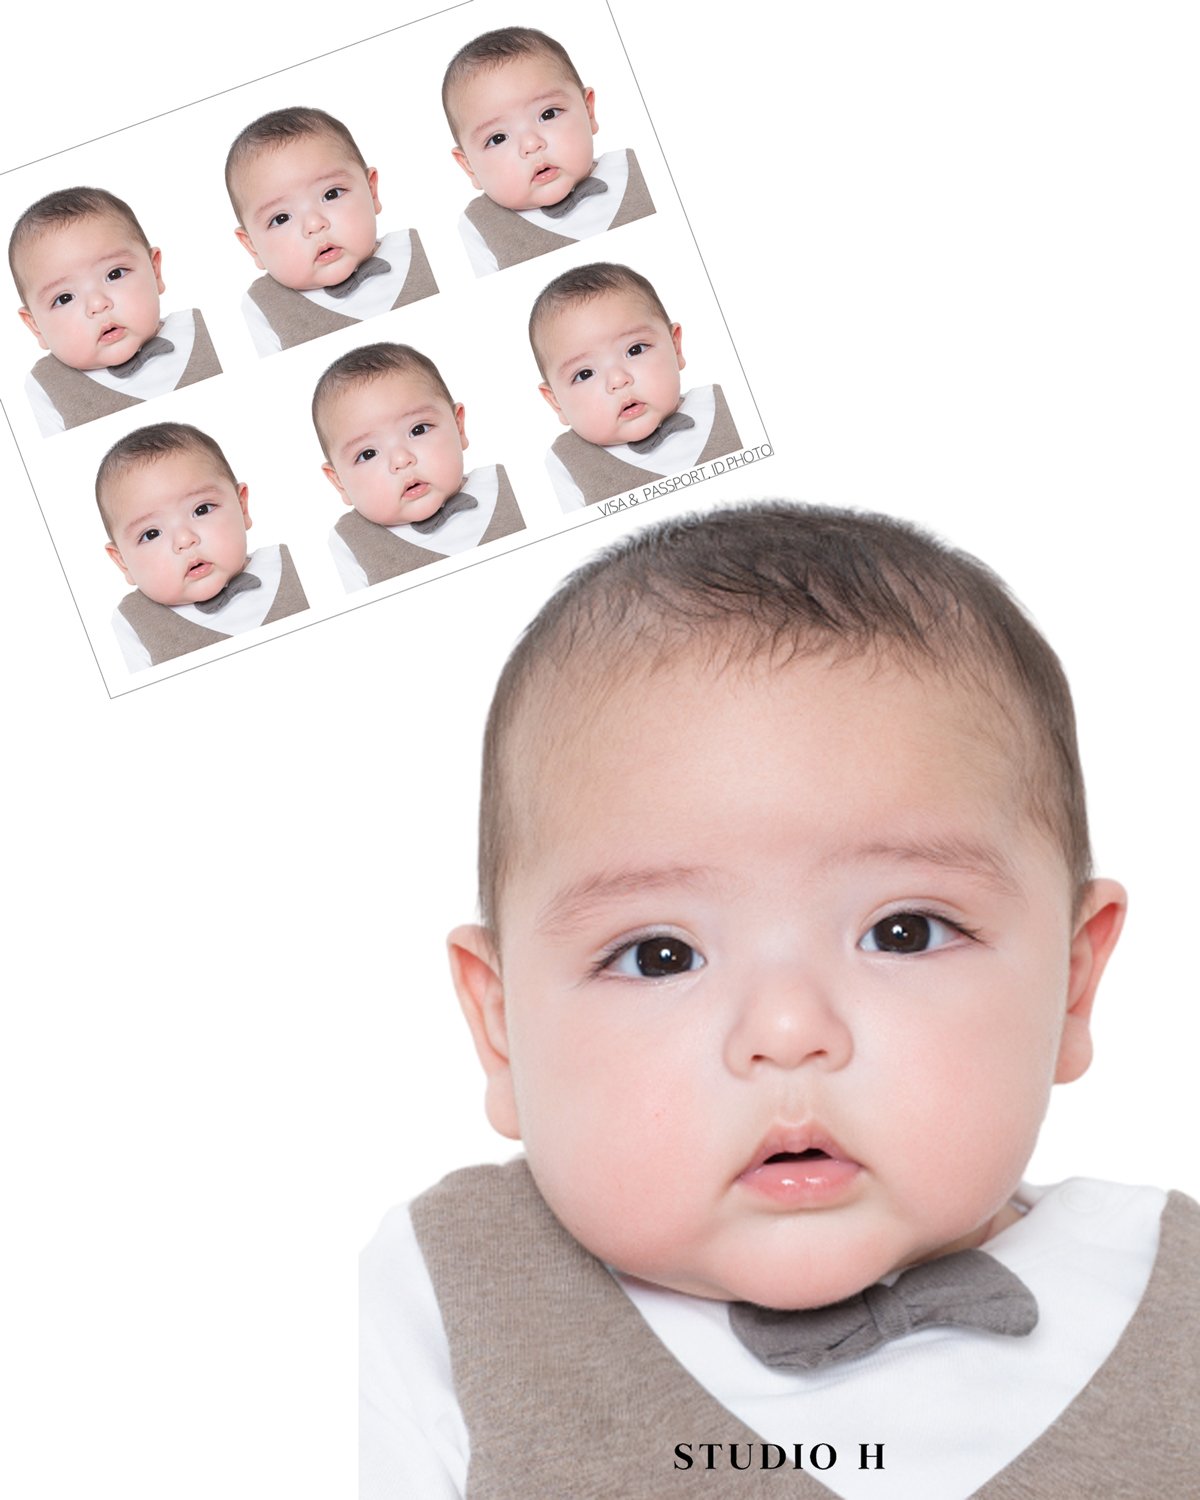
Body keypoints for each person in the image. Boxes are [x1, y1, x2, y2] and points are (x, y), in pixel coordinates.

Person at [360, 502, 1197, 1498]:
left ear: (1073, 980)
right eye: (661, 954)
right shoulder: (450, 1297)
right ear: (501, 1026)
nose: (789, 1032)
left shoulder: (1174, 1292)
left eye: (905, 932)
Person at [443, 26, 655, 276]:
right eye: (498, 138)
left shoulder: (638, 169)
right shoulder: (480, 225)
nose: (532, 144)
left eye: (548, 114)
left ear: (588, 112)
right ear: (469, 166)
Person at [10, 186, 222, 436]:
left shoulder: (207, 327)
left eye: (115, 274)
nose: (98, 304)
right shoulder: (46, 387)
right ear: (36, 326)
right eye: (64, 298)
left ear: (155, 272)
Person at [313, 342, 526, 590]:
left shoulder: (506, 483)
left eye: (418, 429)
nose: (401, 460)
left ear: (459, 428)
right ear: (339, 482)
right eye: (368, 454)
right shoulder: (350, 542)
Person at [226, 107, 437, 356]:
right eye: (281, 218)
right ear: (252, 246)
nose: (315, 224)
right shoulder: (264, 306)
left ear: (372, 192)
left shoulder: (420, 249)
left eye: (331, 194)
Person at [531, 261, 741, 510]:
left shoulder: (725, 404)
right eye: (585, 374)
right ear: (556, 402)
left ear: (675, 347)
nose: (618, 380)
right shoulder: (567, 461)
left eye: (635, 349)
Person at [98, 422, 308, 670]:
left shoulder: (293, 562)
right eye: (151, 533)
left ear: (242, 508)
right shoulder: (134, 623)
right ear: (123, 562)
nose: (185, 540)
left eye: (201, 509)